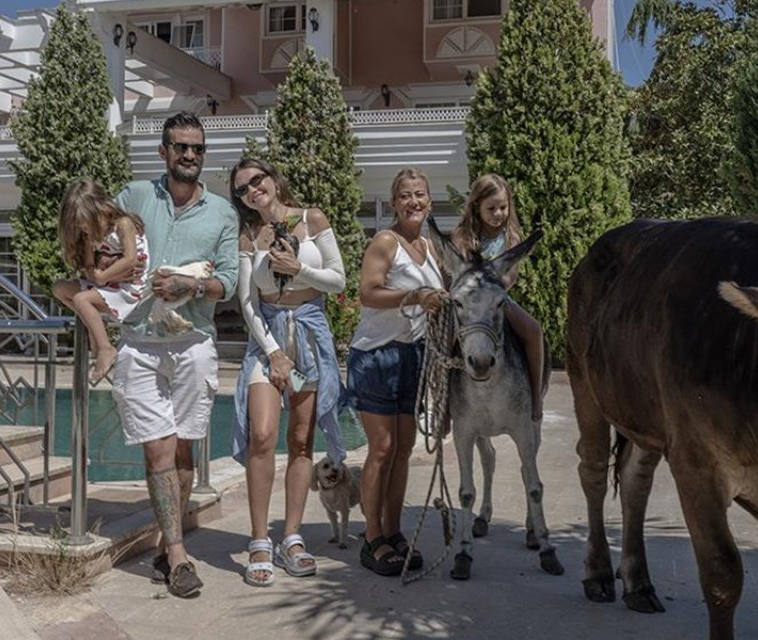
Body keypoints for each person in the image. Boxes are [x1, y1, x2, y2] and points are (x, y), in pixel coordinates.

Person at [112, 111, 239, 598]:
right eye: (180, 146)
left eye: (197, 148)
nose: (189, 155)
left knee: (184, 448)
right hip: (140, 343)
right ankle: (181, 557)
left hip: (194, 342)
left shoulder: (223, 213)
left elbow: (227, 282)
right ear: (163, 151)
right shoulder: (136, 196)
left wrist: (191, 284)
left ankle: (169, 545)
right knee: (159, 448)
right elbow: (100, 236)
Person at [228, 158, 348, 586]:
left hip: (311, 335)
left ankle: (291, 536)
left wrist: (301, 271)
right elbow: (247, 302)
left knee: (301, 441)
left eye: (257, 180)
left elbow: (338, 281)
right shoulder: (248, 236)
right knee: (262, 434)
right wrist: (275, 353)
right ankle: (259, 539)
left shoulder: (312, 218)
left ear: (274, 180)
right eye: (242, 189)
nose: (252, 190)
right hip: (269, 339)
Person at [346, 167, 445, 577]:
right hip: (376, 354)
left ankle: (394, 530)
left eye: (420, 194)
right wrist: (415, 295)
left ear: (429, 200)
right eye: (405, 195)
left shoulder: (430, 246)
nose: (413, 202)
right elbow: (367, 292)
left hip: (413, 355)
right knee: (382, 449)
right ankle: (372, 538)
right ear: (393, 203)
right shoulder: (385, 242)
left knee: (403, 449)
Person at [449, 174, 547, 422]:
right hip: (469, 305)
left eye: (503, 207)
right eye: (491, 208)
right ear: (476, 207)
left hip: (497, 301)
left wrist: (491, 293)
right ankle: (444, 406)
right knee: (444, 340)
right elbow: (458, 274)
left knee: (533, 330)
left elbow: (510, 276)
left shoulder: (511, 236)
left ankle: (535, 395)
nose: (498, 214)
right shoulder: (463, 236)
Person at [52, 179, 149, 384]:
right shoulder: (91, 235)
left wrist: (103, 276)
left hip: (129, 288)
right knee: (59, 288)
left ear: (103, 209)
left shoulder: (123, 225)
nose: (85, 230)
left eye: (87, 223)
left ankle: (105, 347)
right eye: (81, 227)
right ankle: (92, 325)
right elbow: (89, 269)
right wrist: (95, 274)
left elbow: (130, 259)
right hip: (107, 285)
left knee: (81, 300)